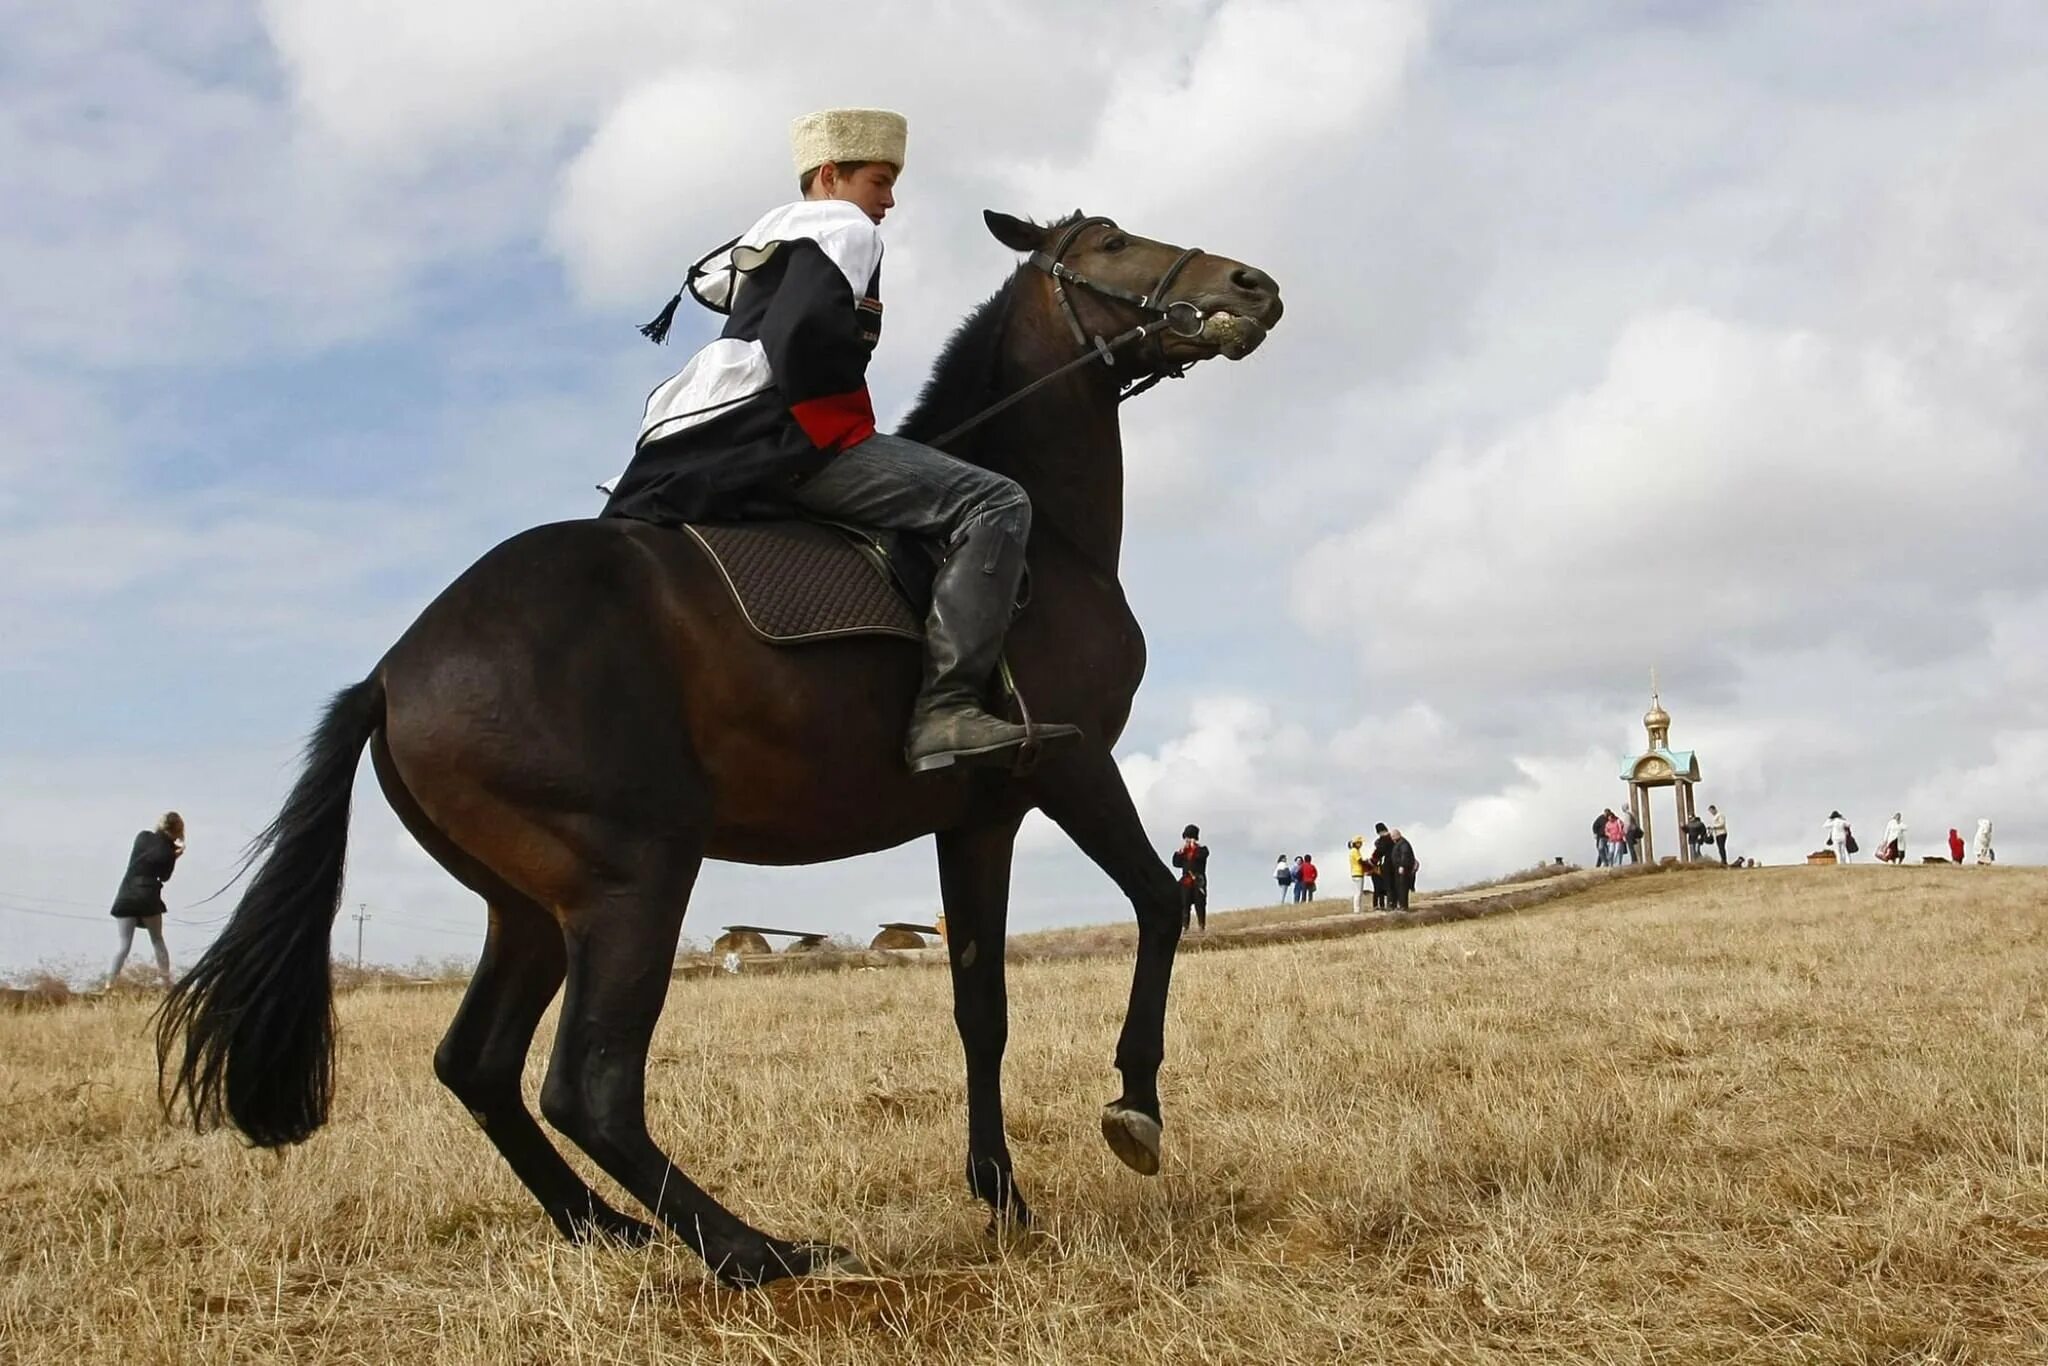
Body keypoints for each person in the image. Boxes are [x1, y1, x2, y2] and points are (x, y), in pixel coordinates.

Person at [603, 109, 1079, 775]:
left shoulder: (776, 242)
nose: (888, 201)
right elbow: (803, 343)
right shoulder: (843, 228)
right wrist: (843, 433)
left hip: (687, 443)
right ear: (830, 176)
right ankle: (947, 708)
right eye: (879, 182)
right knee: (996, 501)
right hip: (772, 439)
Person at [104, 812, 183, 990]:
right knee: (157, 940)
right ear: (178, 831)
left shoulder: (142, 837)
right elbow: (164, 877)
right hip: (148, 897)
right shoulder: (169, 853)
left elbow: (145, 856)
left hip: (126, 895)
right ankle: (166, 983)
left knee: (123, 945)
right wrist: (175, 855)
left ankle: (110, 982)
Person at [1171, 824, 1210, 933]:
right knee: (1184, 905)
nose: (1187, 840)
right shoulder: (1184, 852)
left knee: (1200, 904)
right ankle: (1185, 927)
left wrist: (1194, 847)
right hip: (1186, 882)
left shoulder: (1202, 850)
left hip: (1198, 881)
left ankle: (1201, 927)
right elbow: (1176, 863)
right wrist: (1181, 852)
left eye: (1189, 837)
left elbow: (1201, 856)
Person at [1385, 829, 1418, 910]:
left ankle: (1403, 906)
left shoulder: (1403, 843)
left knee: (1402, 888)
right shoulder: (1399, 843)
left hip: (1403, 869)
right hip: (1398, 869)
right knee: (1399, 887)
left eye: (1392, 836)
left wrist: (1402, 866)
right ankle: (1401, 905)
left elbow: (1405, 854)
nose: (1392, 838)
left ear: (1397, 835)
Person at [1370, 824, 1394, 909]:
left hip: (1386, 866)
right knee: (1392, 886)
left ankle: (1389, 905)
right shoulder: (1393, 838)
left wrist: (1371, 862)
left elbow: (1378, 853)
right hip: (1395, 865)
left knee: (1387, 886)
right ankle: (1392, 904)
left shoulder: (1383, 840)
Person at [1346, 837, 1368, 914]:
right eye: (1360, 843)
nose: (1361, 844)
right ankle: (1357, 909)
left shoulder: (1353, 851)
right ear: (1357, 843)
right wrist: (1367, 864)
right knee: (1358, 892)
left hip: (1355, 873)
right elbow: (1360, 861)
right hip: (1358, 873)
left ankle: (1357, 908)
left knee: (1358, 892)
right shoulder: (1355, 851)